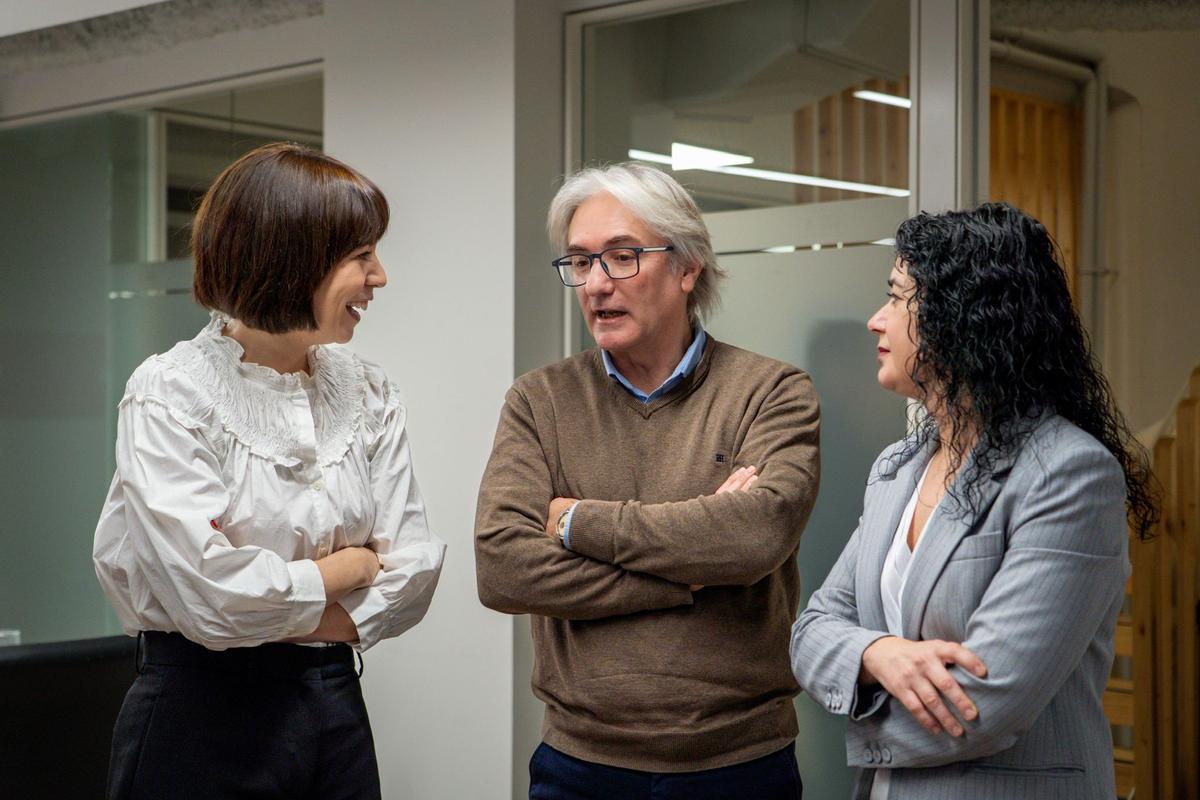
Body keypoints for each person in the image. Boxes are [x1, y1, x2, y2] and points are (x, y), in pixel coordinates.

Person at [93, 142, 445, 800]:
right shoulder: (170, 392)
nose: (380, 277)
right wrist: (346, 569)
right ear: (290, 257)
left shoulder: (369, 391)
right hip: (199, 712)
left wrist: (268, 606)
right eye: (361, 256)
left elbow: (416, 571)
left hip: (334, 701)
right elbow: (211, 597)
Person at [474, 162, 819, 799]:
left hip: (740, 764)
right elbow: (502, 569)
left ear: (687, 268)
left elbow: (752, 540)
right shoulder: (538, 401)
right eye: (580, 263)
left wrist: (575, 520)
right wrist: (687, 574)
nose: (596, 284)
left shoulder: (772, 392)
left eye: (622, 257)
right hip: (578, 765)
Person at [789, 202, 1157, 799]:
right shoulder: (897, 466)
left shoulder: (1068, 472)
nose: (875, 321)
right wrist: (877, 651)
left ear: (961, 316)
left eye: (897, 297)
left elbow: (986, 703)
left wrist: (851, 716)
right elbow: (811, 630)